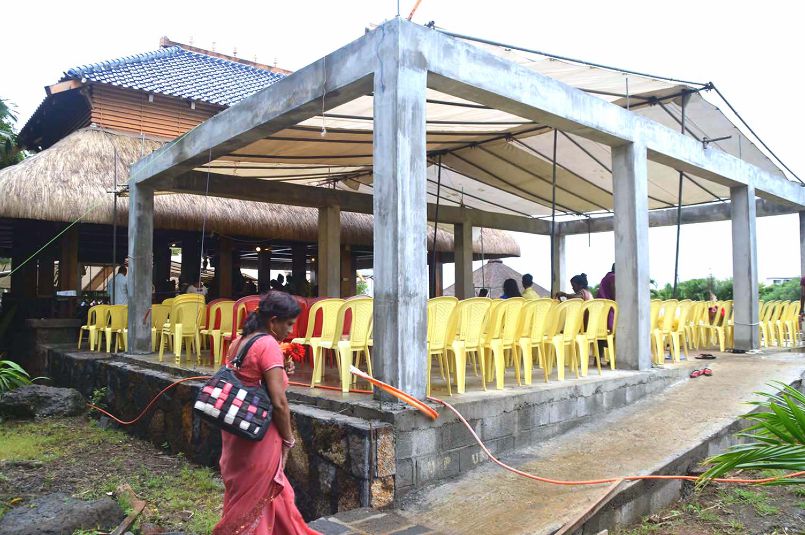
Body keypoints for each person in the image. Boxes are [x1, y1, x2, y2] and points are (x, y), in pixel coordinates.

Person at [214, 292, 319, 535]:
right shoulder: (268, 345)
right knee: (260, 496)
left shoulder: (238, 342)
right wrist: (288, 439)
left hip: (236, 429)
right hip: (260, 435)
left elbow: (248, 380)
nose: (291, 331)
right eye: (289, 324)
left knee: (254, 493)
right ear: (273, 322)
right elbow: (279, 403)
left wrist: (281, 369)